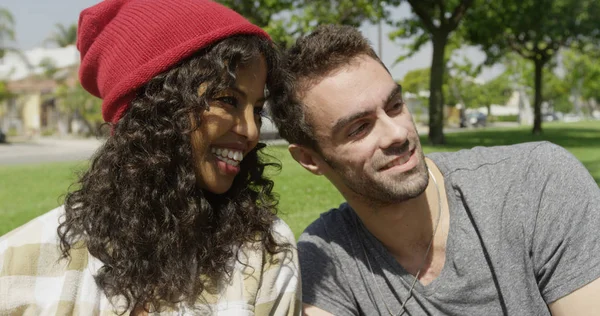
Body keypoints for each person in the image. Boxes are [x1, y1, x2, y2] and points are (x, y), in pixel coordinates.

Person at [270, 24, 600, 315]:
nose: (397, 133)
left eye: (395, 106)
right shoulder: (327, 259)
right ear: (310, 160)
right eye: (359, 128)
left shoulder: (537, 184)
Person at [0, 0, 300, 314]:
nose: (252, 131)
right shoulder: (18, 264)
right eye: (227, 100)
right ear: (154, 107)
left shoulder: (264, 253)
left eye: (256, 109)